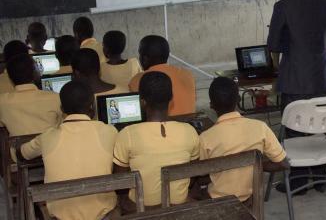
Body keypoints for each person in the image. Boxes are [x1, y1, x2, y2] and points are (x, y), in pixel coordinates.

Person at [267, 0, 326, 194]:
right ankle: (320, 178)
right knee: (321, 125)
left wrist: (279, 68)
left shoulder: (283, 6)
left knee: (294, 129)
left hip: (294, 76)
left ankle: (298, 182)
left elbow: (273, 44)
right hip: (322, 76)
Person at [19, 80, 118, 220]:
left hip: (60, 216)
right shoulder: (109, 131)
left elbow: (23, 153)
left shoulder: (48, 136)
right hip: (103, 215)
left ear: (62, 109)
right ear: (93, 106)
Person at [113, 72, 199, 209]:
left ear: (142, 101)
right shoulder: (189, 131)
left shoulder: (127, 134)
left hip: (141, 209)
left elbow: (120, 181)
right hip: (178, 206)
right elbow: (193, 173)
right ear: (171, 98)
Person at [196, 77, 288, 202]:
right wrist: (255, 166)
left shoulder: (205, 138)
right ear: (239, 100)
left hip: (218, 201)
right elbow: (283, 164)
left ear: (211, 105)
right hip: (250, 199)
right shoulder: (260, 127)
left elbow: (202, 174)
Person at [129, 35, 196, 116]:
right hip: (188, 125)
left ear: (145, 59)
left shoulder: (138, 80)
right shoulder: (187, 74)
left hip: (159, 127)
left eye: (140, 54)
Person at [0, 54, 62, 140]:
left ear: (10, 78)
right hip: (51, 151)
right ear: (35, 74)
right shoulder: (55, 98)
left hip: (18, 152)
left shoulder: (2, 102)